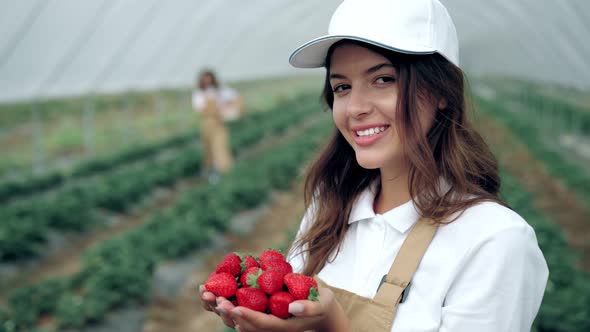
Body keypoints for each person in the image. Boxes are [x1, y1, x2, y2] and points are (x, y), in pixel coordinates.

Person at [199, 0, 549, 331]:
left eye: (383, 79)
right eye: (342, 87)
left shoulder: (493, 241)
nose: (355, 108)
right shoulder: (330, 205)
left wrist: (332, 324)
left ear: (442, 91)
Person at [192, 69, 242, 183]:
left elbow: (234, 97)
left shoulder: (220, 91)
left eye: (209, 79)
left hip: (219, 123)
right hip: (207, 124)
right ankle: (212, 172)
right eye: (205, 80)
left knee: (220, 148)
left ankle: (224, 171)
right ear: (201, 81)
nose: (208, 82)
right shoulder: (198, 94)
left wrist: (229, 106)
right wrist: (215, 107)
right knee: (209, 150)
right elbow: (202, 110)